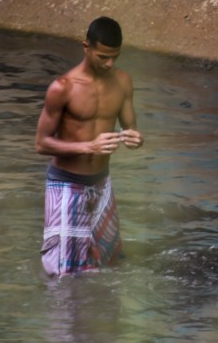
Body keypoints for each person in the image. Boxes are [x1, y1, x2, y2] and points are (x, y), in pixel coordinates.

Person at [35, 16, 144, 276]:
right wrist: (88, 147)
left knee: (111, 266)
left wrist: (136, 139)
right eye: (102, 56)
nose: (109, 63)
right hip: (65, 185)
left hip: (101, 183)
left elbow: (131, 129)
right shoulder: (63, 87)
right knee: (63, 275)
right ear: (86, 47)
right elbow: (41, 143)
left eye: (115, 57)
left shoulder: (123, 82)